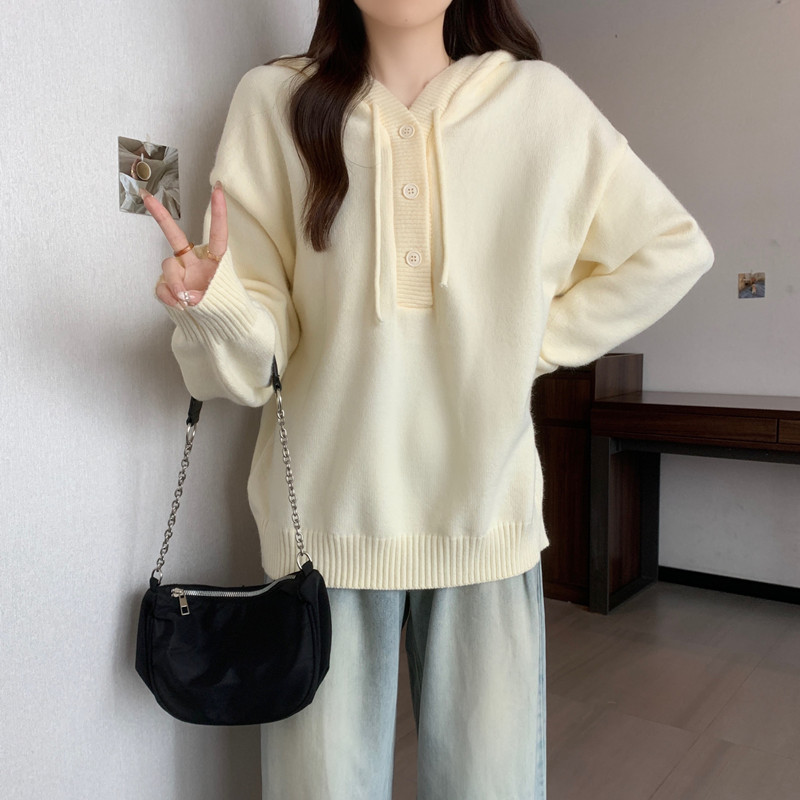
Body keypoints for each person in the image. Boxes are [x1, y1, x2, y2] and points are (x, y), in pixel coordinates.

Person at [141, 1, 715, 797]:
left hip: (486, 522)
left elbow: (671, 247)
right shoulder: (274, 103)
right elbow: (253, 363)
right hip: (327, 534)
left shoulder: (540, 103)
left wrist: (529, 343)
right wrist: (218, 305)